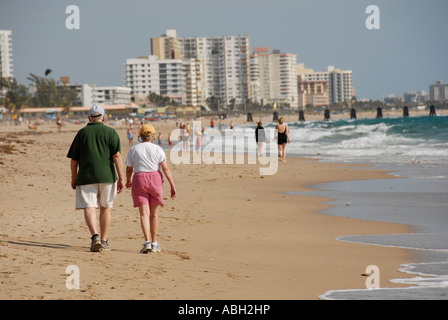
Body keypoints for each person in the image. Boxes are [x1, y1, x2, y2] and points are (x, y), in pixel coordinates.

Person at [67, 105, 125, 252]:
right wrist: (122, 178)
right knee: (106, 207)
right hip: (107, 176)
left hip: (86, 176)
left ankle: (95, 237)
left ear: (89, 118)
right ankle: (104, 240)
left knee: (89, 206)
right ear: (103, 117)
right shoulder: (111, 132)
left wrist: (73, 177)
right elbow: (117, 156)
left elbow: (74, 159)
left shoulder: (82, 133)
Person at [125, 124, 176, 254]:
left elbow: (129, 168)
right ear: (153, 136)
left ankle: (147, 241)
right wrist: (172, 185)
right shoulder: (158, 149)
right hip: (155, 180)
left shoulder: (134, 149)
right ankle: (154, 243)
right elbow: (165, 168)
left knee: (144, 214)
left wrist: (128, 180)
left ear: (140, 136)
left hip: (139, 179)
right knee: (154, 214)